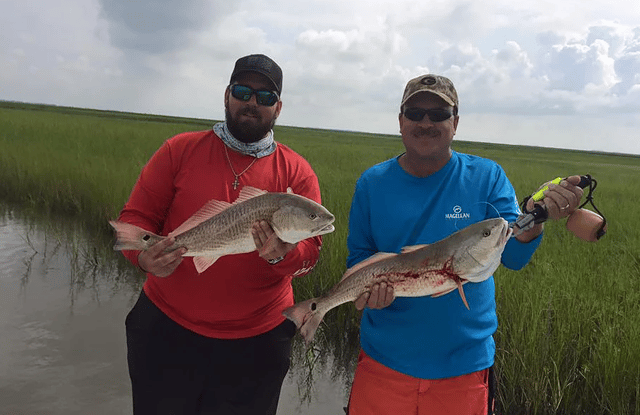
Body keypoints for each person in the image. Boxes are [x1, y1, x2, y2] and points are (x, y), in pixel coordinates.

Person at [345, 74, 585, 414]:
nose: (426, 122)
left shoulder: (487, 177)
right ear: (400, 121)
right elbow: (358, 259)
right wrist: (369, 295)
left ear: (455, 122)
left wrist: (534, 221)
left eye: (439, 113)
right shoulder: (372, 183)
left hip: (464, 369)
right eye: (415, 113)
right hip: (383, 363)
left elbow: (513, 255)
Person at [117, 54, 324, 415]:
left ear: (278, 108)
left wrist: (282, 254)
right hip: (165, 331)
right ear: (227, 95)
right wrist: (143, 257)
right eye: (243, 91)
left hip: (258, 343)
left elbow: (311, 254)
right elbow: (135, 219)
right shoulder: (178, 151)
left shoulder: (297, 173)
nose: (252, 103)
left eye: (265, 97)